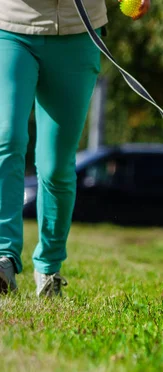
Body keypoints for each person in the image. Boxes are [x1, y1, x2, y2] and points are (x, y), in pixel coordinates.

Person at [0, 0, 150, 296]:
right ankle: (3, 257)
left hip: (78, 31)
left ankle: (49, 268)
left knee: (56, 165)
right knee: (7, 138)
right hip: (12, 26)